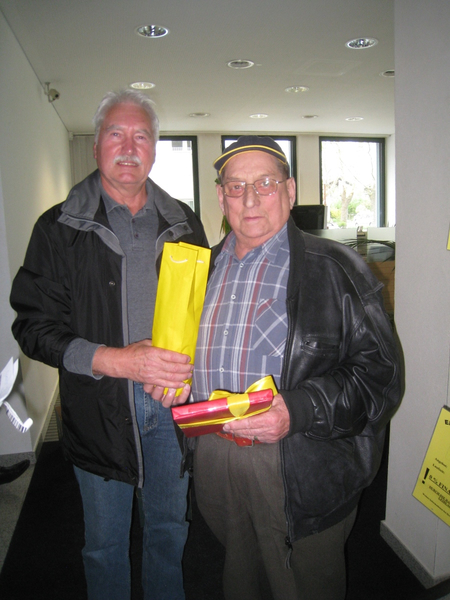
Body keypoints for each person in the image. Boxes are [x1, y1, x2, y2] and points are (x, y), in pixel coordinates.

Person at [10, 89, 208, 600]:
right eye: (116, 134)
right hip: (98, 409)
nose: (128, 146)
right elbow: (32, 327)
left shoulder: (185, 223)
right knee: (104, 546)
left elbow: (205, 313)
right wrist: (116, 360)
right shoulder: (58, 228)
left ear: (155, 149)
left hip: (171, 408)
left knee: (170, 533)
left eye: (141, 136)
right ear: (97, 144)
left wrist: (192, 371)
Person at [191, 136, 401, 600]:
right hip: (215, 456)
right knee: (238, 576)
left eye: (265, 183)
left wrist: (298, 409)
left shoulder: (338, 268)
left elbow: (380, 377)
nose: (249, 198)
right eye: (236, 185)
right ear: (221, 197)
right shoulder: (201, 271)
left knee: (304, 584)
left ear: (289, 191)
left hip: (300, 461)